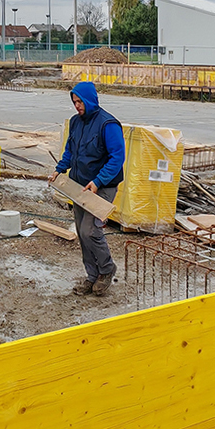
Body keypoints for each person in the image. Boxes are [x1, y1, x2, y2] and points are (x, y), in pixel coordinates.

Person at [51, 82, 125, 297]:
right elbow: (70, 151)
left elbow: (117, 158)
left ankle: (106, 269)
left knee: (90, 230)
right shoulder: (76, 123)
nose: (77, 106)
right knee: (81, 233)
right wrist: (59, 169)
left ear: (90, 99)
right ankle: (92, 276)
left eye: (80, 101)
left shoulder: (108, 124)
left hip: (101, 185)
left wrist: (98, 181)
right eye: (74, 102)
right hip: (79, 185)